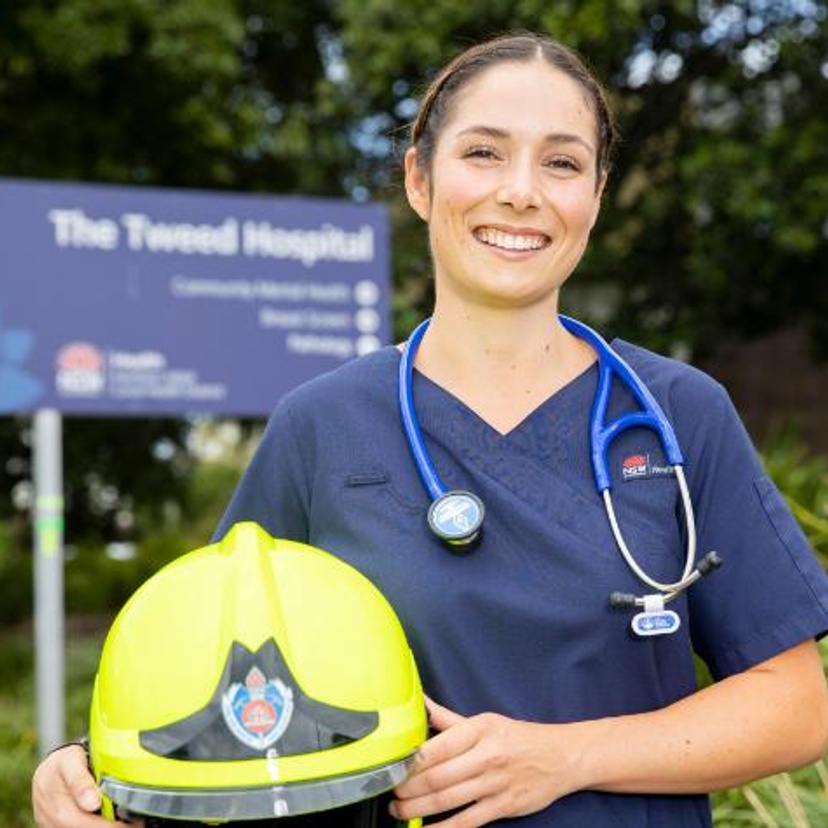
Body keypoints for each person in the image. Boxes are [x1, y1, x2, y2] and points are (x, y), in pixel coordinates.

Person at [32, 30, 828, 828]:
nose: (522, 191)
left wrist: (565, 758)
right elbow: (212, 673)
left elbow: (796, 708)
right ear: (419, 178)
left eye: (561, 162)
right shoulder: (323, 426)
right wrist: (81, 768)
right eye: (483, 152)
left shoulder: (677, 413)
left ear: (596, 193)